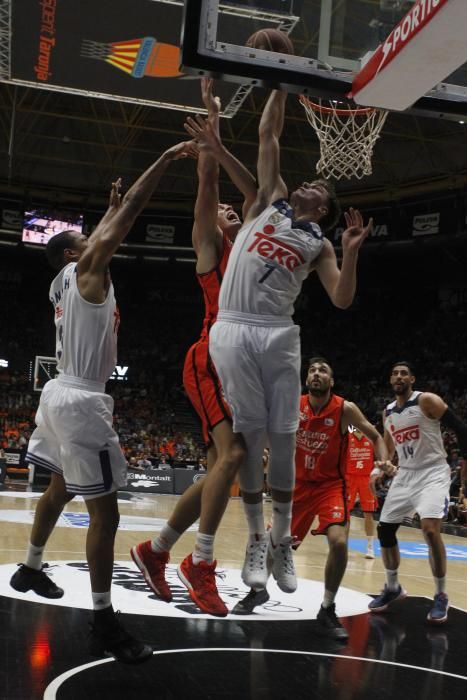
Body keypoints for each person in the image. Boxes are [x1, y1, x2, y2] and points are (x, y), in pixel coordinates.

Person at [9, 139, 194, 664]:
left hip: (60, 394)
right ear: (74, 253)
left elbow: (107, 229)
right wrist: (161, 160)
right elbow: (132, 212)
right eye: (87, 238)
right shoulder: (87, 269)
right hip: (84, 400)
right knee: (106, 517)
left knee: (59, 488)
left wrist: (106, 213)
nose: (97, 238)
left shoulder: (62, 279)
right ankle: (104, 622)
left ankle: (30, 565)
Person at [203, 89, 372, 595]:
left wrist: (350, 252)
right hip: (232, 327)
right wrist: (276, 80)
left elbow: (342, 299)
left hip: (277, 333)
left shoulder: (320, 243)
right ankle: (257, 538)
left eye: (319, 186)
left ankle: (280, 541)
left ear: (324, 209)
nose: (309, 182)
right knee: (252, 439)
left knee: (283, 440)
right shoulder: (266, 202)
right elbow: (268, 133)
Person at [131, 79, 257, 617]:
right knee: (233, 456)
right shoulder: (210, 244)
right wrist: (211, 116)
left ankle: (154, 551)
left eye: (235, 211)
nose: (230, 210)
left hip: (240, 363)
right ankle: (198, 565)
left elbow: (254, 195)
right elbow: (210, 180)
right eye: (223, 210)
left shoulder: (251, 250)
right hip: (209, 358)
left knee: (216, 474)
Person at [233, 358, 392, 641]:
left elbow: (375, 436)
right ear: (307, 378)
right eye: (312, 370)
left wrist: (382, 463)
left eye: (323, 371)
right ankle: (258, 592)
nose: (316, 374)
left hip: (331, 486)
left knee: (339, 542)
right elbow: (274, 435)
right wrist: (266, 451)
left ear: (331, 381)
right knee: (275, 546)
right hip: (296, 486)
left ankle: (328, 607)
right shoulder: (294, 405)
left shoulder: (346, 410)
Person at [369, 361, 467, 624]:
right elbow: (388, 448)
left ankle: (441, 594)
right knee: (385, 530)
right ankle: (392, 588)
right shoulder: (388, 411)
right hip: (406, 475)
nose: (399, 377)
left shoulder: (427, 401)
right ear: (391, 380)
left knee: (430, 529)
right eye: (395, 373)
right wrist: (379, 469)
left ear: (412, 379)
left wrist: (464, 463)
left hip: (433, 472)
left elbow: (460, 428)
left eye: (404, 373)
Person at [346, 425, 378, 559]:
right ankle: (342, 545)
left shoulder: (371, 439)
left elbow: (380, 457)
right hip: (350, 478)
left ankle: (370, 547)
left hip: (366, 478)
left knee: (368, 514)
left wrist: (376, 472)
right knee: (345, 514)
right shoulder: (347, 437)